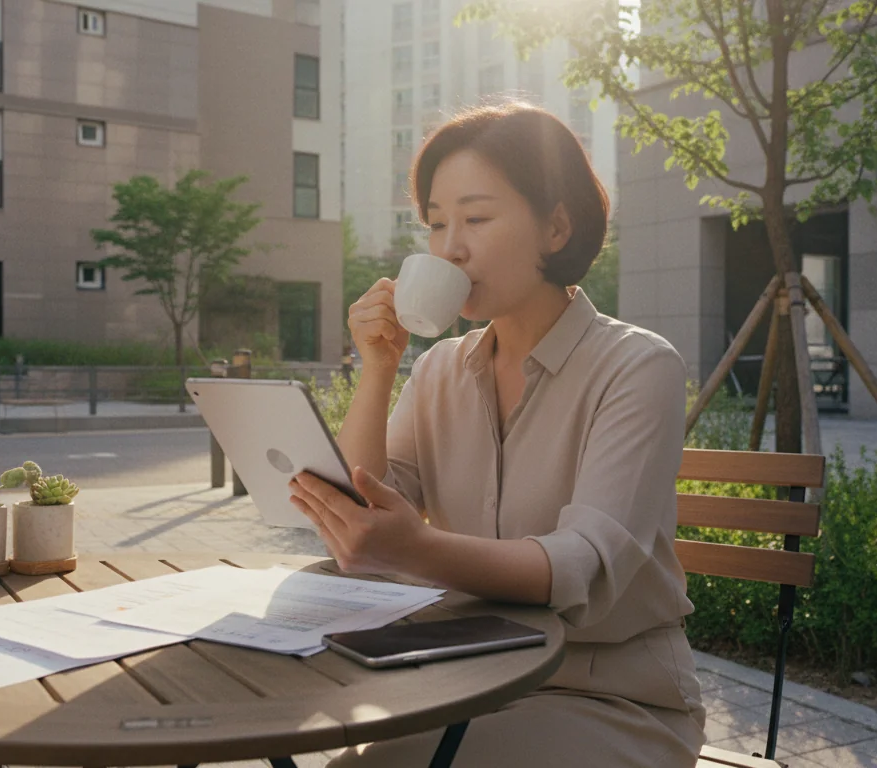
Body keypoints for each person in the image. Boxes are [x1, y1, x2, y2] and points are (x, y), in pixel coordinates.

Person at [287, 102, 705, 766]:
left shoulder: (637, 367)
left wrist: (419, 548)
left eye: (476, 219)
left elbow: (583, 565)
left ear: (556, 226)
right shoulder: (438, 370)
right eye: (435, 224)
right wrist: (377, 368)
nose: (450, 246)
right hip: (462, 681)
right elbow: (363, 513)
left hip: (608, 697)